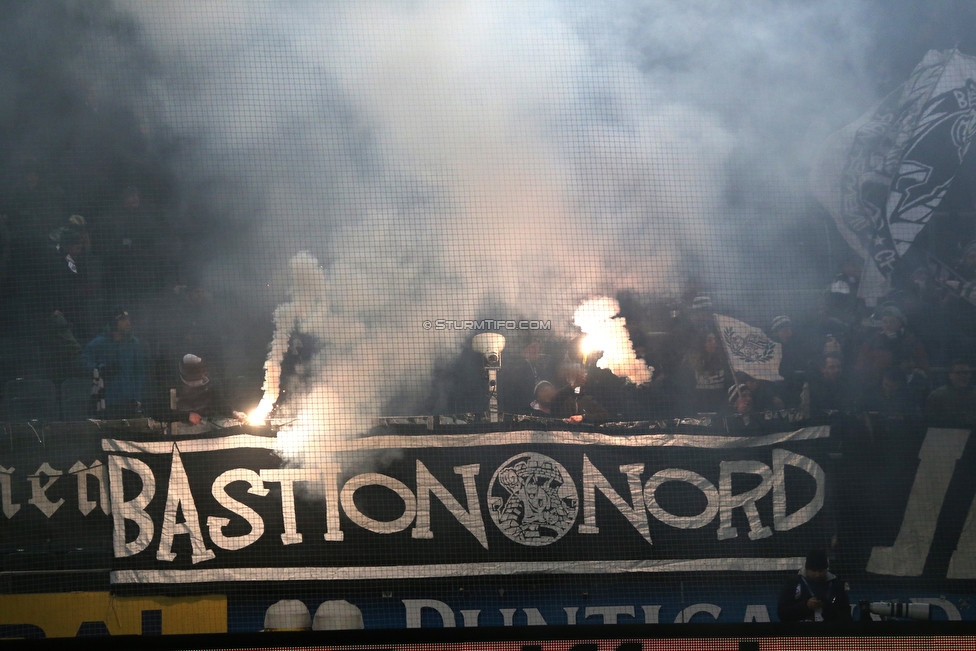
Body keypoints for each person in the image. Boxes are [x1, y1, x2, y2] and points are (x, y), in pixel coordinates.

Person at [81, 308, 148, 418]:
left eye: (128, 319)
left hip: (130, 404)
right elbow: (83, 363)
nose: (128, 323)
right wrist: (101, 369)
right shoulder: (98, 343)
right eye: (123, 320)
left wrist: (138, 398)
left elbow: (140, 374)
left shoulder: (135, 344)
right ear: (113, 323)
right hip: (106, 404)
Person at [778, 548, 852, 623]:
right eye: (813, 571)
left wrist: (827, 607)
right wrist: (805, 606)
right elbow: (782, 614)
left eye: (821, 571)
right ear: (806, 569)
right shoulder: (793, 583)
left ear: (826, 569)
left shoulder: (836, 585)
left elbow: (847, 617)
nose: (817, 575)